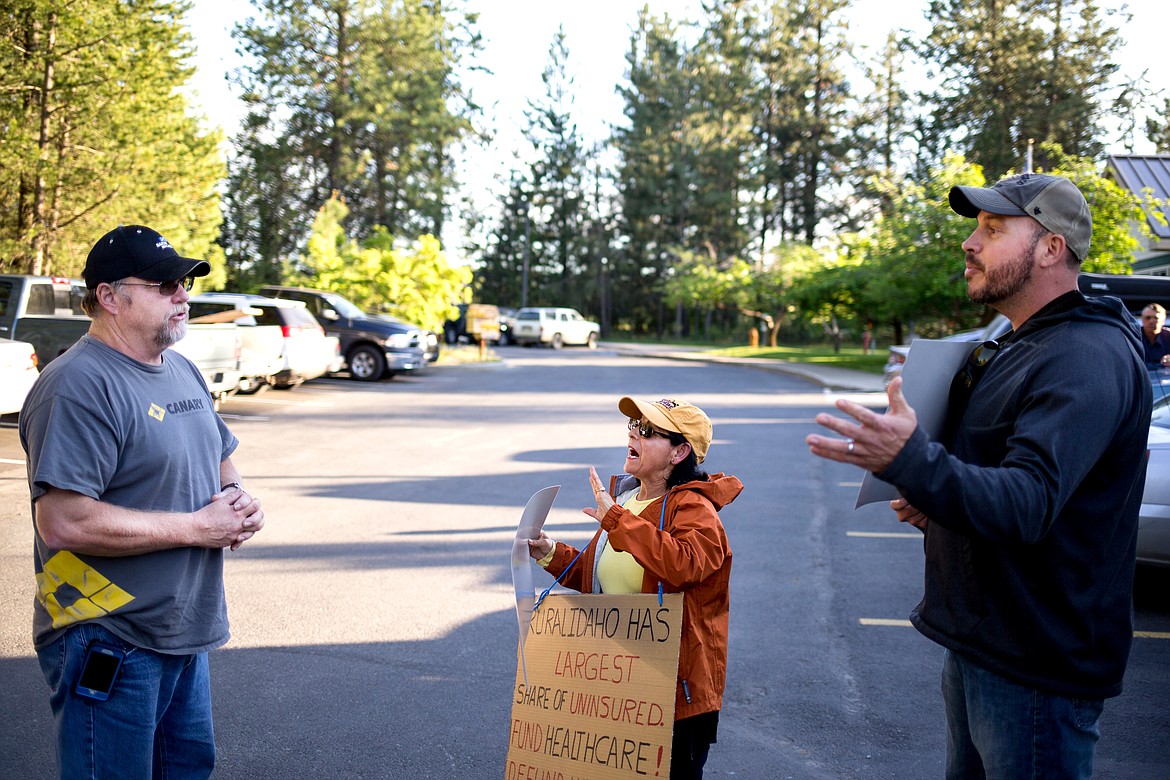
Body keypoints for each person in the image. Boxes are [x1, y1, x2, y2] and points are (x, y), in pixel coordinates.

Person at [806, 173, 1149, 779]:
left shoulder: (1084, 356)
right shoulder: (1023, 346)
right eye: (975, 229)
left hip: (1036, 667)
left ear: (1051, 248)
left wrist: (912, 460)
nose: (969, 243)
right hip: (983, 647)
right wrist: (934, 498)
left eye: (992, 230)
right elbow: (995, 483)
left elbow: (1028, 502)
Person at [19, 224, 265, 779]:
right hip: (108, 634)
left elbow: (219, 453)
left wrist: (238, 500)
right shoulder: (77, 385)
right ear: (108, 297)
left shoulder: (180, 369)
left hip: (182, 630)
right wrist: (199, 528)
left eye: (183, 282)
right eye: (163, 284)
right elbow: (62, 522)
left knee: (186, 769)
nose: (182, 294)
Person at [528, 397, 742, 780]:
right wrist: (550, 554)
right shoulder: (626, 500)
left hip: (674, 696)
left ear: (679, 452)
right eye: (633, 425)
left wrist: (617, 521)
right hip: (618, 687)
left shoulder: (695, 509)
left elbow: (683, 565)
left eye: (646, 430)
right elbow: (602, 581)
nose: (632, 432)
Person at [1139, 303, 1170, 369]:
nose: (1151, 321)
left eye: (1156, 318)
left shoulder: (1168, 336)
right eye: (1148, 318)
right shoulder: (1133, 336)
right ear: (1142, 319)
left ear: (1163, 320)